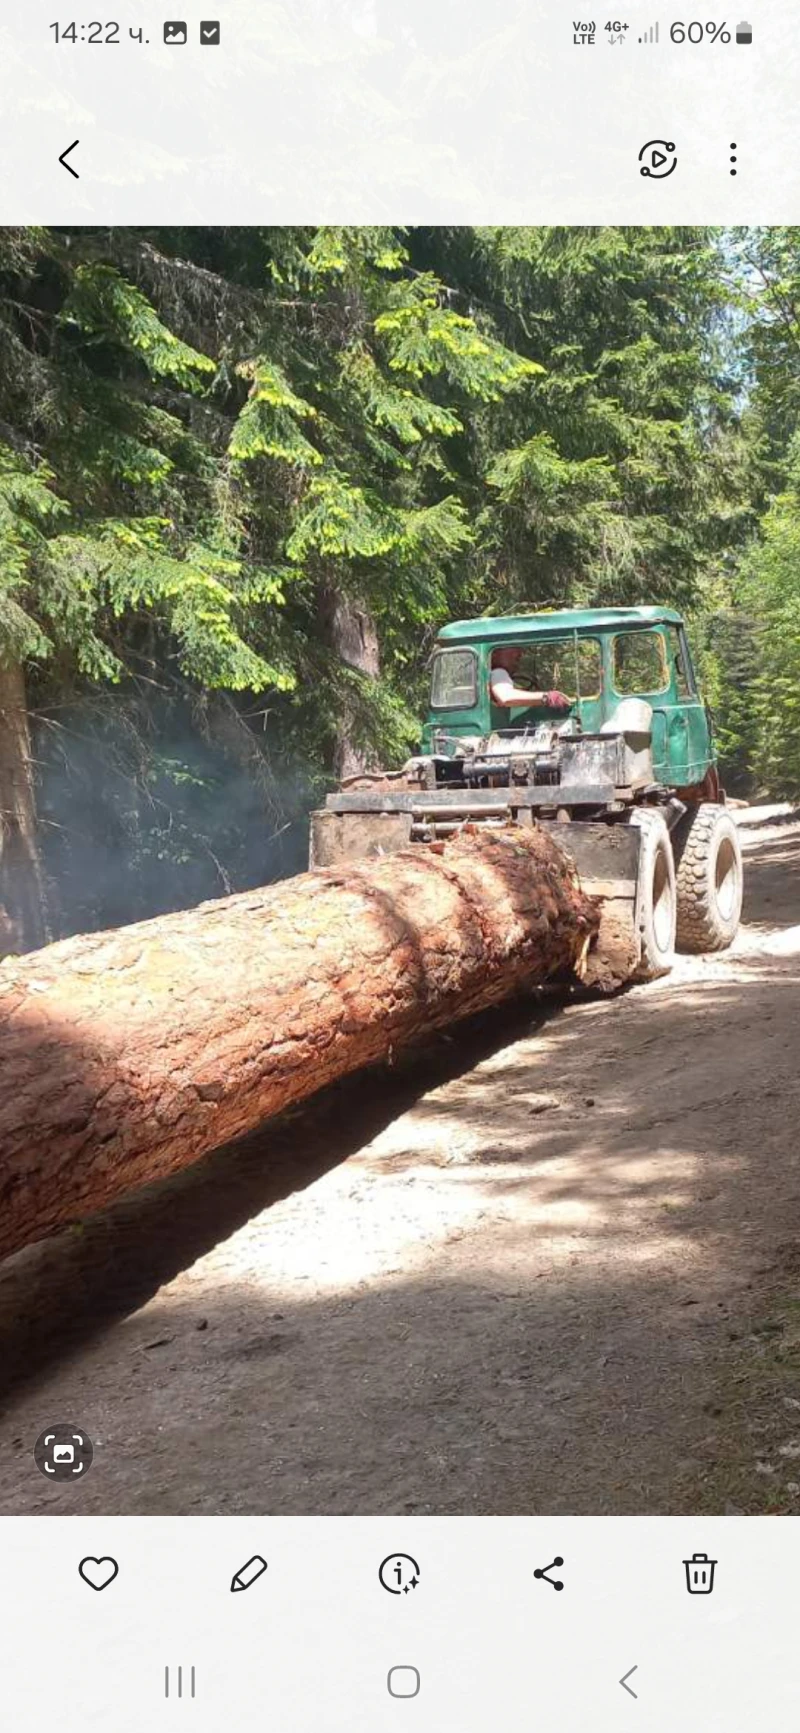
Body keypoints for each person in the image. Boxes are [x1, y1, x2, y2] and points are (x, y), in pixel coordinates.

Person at [489, 646, 571, 710]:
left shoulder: (497, 675)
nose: (519, 653)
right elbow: (506, 697)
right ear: (494, 654)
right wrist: (547, 697)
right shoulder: (498, 672)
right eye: (512, 647)